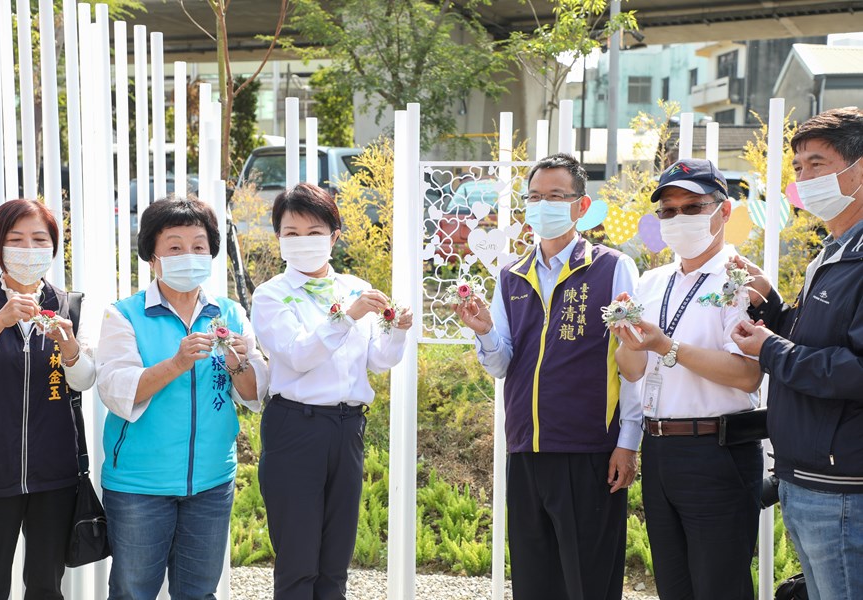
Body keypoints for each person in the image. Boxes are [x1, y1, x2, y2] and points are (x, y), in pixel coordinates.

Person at [454, 153, 642, 600]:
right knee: (535, 583)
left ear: (581, 205)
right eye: (535, 197)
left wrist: (628, 441)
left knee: (588, 584)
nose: (544, 205)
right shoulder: (510, 276)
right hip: (525, 451)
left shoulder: (612, 267)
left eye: (556, 196)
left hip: (589, 451)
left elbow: (632, 361)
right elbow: (502, 364)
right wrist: (484, 333)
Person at [95, 195, 268, 600]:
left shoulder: (229, 314)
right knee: (133, 592)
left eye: (198, 246)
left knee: (199, 593)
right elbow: (117, 390)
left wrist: (239, 362)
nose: (188, 255)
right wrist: (176, 363)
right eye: (174, 246)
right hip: (139, 486)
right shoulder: (124, 315)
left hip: (211, 482)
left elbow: (254, 393)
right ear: (152, 257)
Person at [251, 183, 411, 600]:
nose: (303, 242)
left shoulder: (354, 286)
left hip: (348, 427)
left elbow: (377, 361)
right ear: (279, 239)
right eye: (292, 233)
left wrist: (397, 330)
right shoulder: (271, 295)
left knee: (336, 559)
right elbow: (298, 355)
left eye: (314, 232)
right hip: (296, 428)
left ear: (334, 236)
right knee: (299, 561)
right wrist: (348, 316)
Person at [614, 158, 764, 599]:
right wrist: (628, 342)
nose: (679, 219)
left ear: (724, 212)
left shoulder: (741, 280)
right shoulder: (652, 280)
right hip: (660, 449)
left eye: (693, 207)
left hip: (717, 450)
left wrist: (667, 347)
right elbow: (633, 370)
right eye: (669, 211)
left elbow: (748, 375)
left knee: (720, 585)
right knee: (674, 587)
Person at [731, 107, 863, 600]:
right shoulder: (832, 252)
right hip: (808, 478)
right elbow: (819, 344)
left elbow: (854, 370)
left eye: (817, 164)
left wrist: (773, 351)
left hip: (845, 488)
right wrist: (773, 307)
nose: (803, 178)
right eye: (799, 167)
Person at [0, 198, 96, 599]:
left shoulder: (67, 304)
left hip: (55, 474)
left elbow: (86, 380)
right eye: (16, 239)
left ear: (54, 248)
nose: (28, 250)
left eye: (40, 240)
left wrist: (70, 347)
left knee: (45, 585)